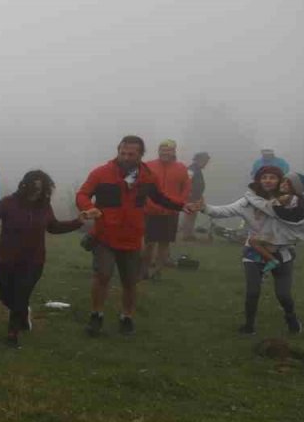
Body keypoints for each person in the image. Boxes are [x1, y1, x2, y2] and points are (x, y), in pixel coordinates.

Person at [75, 135, 184, 336]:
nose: (125, 157)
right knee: (103, 276)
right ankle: (96, 315)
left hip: (132, 237)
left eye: (131, 154)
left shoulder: (147, 176)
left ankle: (127, 317)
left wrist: (183, 205)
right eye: (122, 153)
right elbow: (82, 194)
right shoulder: (101, 173)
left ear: (141, 155)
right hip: (105, 235)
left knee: (130, 281)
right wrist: (89, 208)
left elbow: (160, 197)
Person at [193, 166, 304, 334]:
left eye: (272, 177)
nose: (268, 180)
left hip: (282, 251)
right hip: (254, 251)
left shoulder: (289, 200)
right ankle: (249, 326)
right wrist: (205, 208)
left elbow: (302, 217)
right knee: (252, 291)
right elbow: (226, 210)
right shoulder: (249, 201)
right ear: (258, 180)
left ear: (280, 180)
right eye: (264, 177)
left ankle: (291, 318)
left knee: (283, 295)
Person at [0, 171, 95, 346]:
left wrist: (78, 221)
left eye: (41, 190)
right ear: (24, 186)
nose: (36, 194)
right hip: (5, 258)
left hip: (33, 261)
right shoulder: (8, 203)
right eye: (33, 189)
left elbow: (54, 227)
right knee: (4, 295)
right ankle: (22, 311)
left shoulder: (45, 207)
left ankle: (13, 333)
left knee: (21, 294)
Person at [141, 140, 191, 279]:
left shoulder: (181, 168)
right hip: (150, 210)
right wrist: (146, 202)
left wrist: (179, 203)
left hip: (170, 211)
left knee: (164, 243)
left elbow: (186, 188)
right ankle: (143, 270)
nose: (165, 153)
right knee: (148, 243)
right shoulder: (149, 165)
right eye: (162, 150)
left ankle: (157, 271)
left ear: (174, 152)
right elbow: (142, 186)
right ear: (158, 151)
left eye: (168, 150)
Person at [180, 152, 210, 242]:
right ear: (199, 160)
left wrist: (200, 196)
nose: (206, 163)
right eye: (205, 161)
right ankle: (186, 235)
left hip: (196, 196)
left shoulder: (197, 169)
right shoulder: (192, 169)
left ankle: (189, 233)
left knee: (192, 215)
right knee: (189, 215)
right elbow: (187, 181)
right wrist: (189, 194)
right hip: (191, 197)